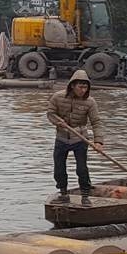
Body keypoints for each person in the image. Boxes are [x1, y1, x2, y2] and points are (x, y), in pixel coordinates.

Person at [46, 69, 103, 199]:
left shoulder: (90, 102)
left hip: (80, 138)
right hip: (61, 137)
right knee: (59, 168)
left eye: (85, 87)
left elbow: (96, 122)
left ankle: (85, 193)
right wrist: (58, 122)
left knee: (82, 168)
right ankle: (63, 191)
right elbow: (50, 113)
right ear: (72, 85)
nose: (83, 90)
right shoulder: (57, 97)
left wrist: (98, 141)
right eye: (80, 87)